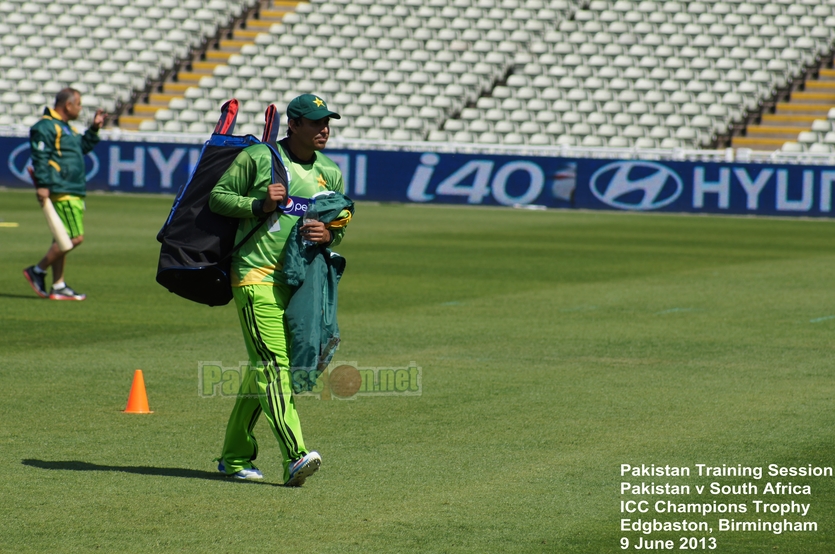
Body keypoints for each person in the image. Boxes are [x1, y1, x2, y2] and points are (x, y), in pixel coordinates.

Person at [209, 94, 348, 485]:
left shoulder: (331, 172)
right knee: (274, 367)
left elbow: (339, 221)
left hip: (300, 282)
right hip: (255, 276)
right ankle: (296, 455)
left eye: (328, 122)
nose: (324, 129)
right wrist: (257, 205)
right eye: (316, 122)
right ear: (293, 125)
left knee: (262, 371)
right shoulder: (258, 159)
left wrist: (330, 232)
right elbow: (218, 197)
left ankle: (235, 457)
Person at [23, 88, 106, 301]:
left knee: (60, 238)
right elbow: (40, 157)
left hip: (71, 187)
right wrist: (42, 184)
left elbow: (81, 148)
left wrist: (94, 129)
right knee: (73, 237)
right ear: (68, 105)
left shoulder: (66, 128)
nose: (80, 109)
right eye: (78, 104)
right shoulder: (46, 127)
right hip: (62, 189)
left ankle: (58, 286)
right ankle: (38, 270)